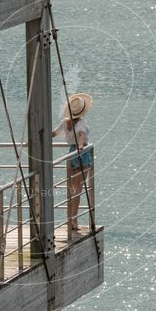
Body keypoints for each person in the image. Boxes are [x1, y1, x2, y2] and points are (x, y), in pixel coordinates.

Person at [52, 93, 93, 236]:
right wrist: (81, 146)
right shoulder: (81, 123)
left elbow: (54, 133)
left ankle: (70, 219)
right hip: (82, 153)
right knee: (78, 189)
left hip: (71, 153)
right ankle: (73, 220)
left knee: (71, 188)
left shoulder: (65, 122)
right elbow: (81, 135)